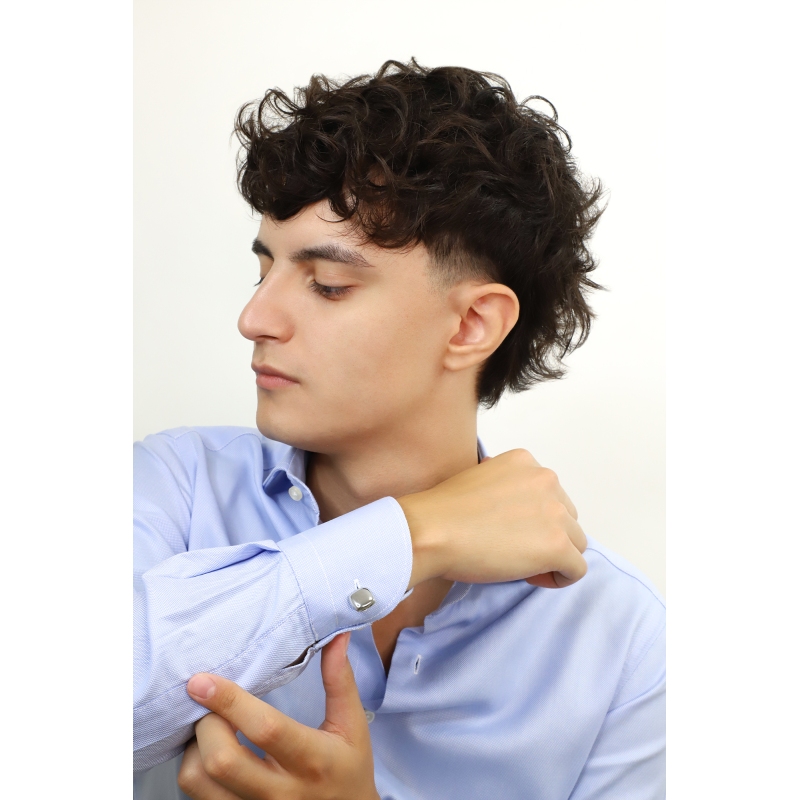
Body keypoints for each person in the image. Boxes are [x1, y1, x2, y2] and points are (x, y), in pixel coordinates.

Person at [134, 59, 665, 799]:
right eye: (264, 272)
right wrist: (411, 538)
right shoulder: (173, 488)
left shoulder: (624, 642)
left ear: (473, 325)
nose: (253, 319)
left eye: (327, 285)